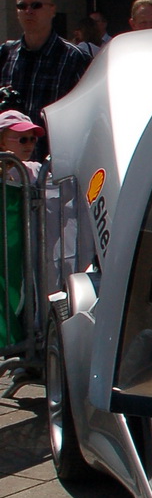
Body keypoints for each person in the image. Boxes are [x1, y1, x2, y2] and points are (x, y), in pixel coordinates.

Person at [0, 0, 90, 134]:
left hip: (54, 153)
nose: (28, 11)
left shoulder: (75, 58)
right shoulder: (5, 54)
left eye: (36, 5)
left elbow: (88, 114)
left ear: (52, 10)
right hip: (10, 156)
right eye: (22, 6)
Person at [0, 109, 41, 352]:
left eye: (33, 139)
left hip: (17, 246)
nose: (29, 144)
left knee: (15, 287)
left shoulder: (34, 170)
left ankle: (13, 342)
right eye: (22, 139)